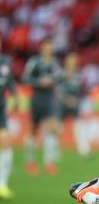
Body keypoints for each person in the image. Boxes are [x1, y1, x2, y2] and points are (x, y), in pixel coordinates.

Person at [23, 37, 63, 175]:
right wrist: (39, 82)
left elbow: (60, 76)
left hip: (49, 98)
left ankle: (48, 163)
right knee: (34, 130)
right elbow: (25, 78)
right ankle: (30, 161)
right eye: (46, 46)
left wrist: (51, 80)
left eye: (50, 46)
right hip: (37, 98)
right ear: (42, 47)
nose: (48, 49)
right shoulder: (34, 62)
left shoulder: (54, 63)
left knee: (52, 128)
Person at [57, 52, 91, 158]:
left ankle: (84, 151)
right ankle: (55, 151)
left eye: (75, 60)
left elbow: (82, 90)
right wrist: (65, 99)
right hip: (61, 104)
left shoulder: (79, 74)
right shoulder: (61, 74)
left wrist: (78, 100)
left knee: (79, 127)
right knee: (58, 128)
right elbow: (56, 89)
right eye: (71, 60)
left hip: (75, 105)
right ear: (66, 61)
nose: (73, 62)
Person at [0, 37, 17, 199]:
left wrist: (15, 97)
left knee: (5, 141)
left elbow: (10, 82)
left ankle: (2, 184)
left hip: (1, 108)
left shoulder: (5, 62)